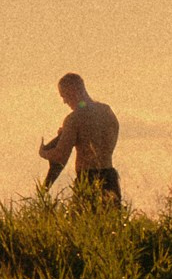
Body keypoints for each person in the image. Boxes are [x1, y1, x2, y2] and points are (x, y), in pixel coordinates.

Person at [39, 72, 122, 207]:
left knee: (81, 224)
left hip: (88, 179)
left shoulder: (74, 119)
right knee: (111, 223)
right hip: (110, 179)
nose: (64, 101)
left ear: (73, 90)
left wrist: (43, 152)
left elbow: (60, 156)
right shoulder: (107, 112)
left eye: (64, 95)